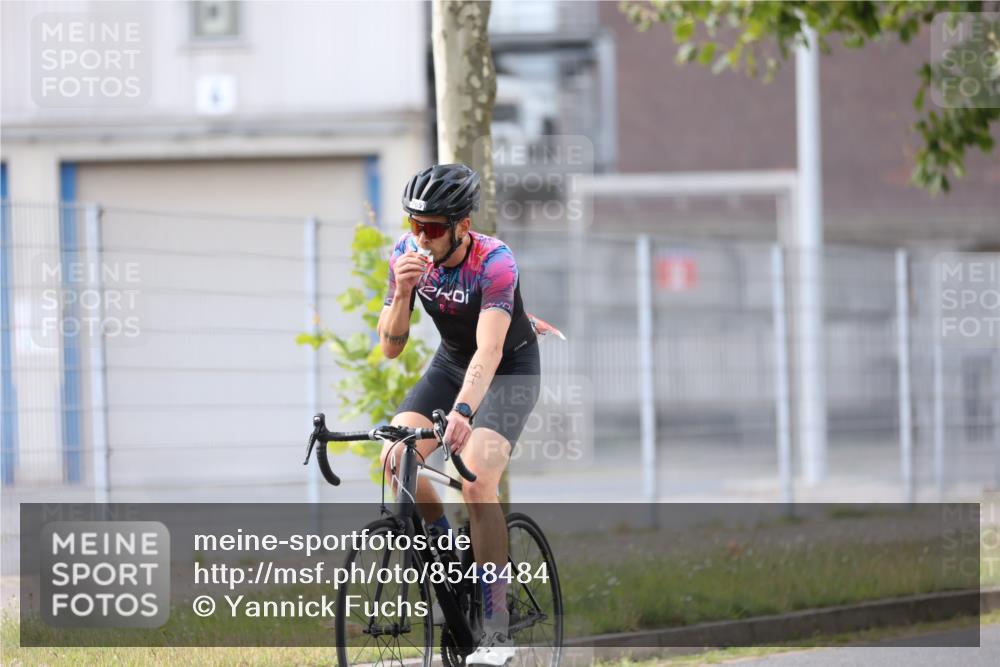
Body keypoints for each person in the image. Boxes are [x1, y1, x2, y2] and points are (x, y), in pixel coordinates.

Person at [378, 163, 540, 666]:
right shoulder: (405, 255)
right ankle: (447, 555)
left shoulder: (495, 261)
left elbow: (489, 349)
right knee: (395, 457)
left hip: (508, 369)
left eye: (431, 228)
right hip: (450, 363)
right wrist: (403, 292)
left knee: (476, 481)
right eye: (414, 224)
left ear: (462, 226)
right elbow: (390, 347)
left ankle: (495, 624)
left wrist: (464, 411)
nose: (420, 238)